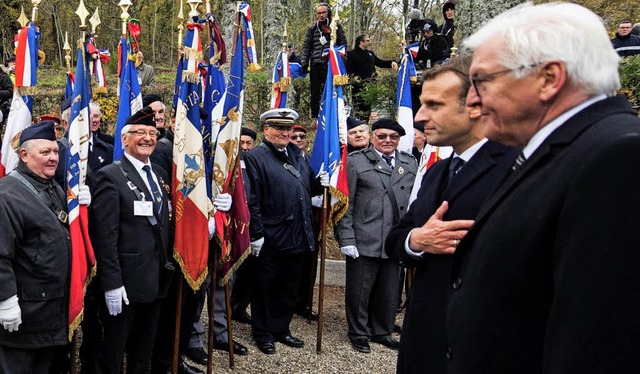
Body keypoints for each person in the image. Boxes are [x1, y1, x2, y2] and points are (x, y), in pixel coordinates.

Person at [445, 3, 640, 372]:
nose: (471, 100)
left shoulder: (619, 158)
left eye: (483, 81)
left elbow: (600, 344)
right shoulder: (553, 151)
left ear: (549, 78)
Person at [384, 56, 519, 373]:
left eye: (434, 105)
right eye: (421, 105)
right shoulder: (438, 172)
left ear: (474, 105)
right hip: (425, 339)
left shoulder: (516, 167)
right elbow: (397, 239)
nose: (419, 117)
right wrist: (417, 240)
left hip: (476, 346)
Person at [89, 107, 174, 373]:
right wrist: (112, 283)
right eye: (140, 132)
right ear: (125, 139)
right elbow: (105, 236)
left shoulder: (159, 173)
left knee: (143, 349)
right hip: (125, 285)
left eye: (152, 133)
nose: (148, 137)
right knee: (112, 352)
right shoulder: (110, 177)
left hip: (156, 280)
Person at [0, 121, 90, 373]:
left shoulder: (54, 188)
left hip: (49, 310)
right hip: (22, 314)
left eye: (55, 152)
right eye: (45, 152)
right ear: (24, 155)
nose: (53, 158)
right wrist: (5, 299)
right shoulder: (8, 195)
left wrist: (81, 208)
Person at [244, 108, 328, 354]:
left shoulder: (297, 154)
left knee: (290, 286)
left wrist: (318, 183)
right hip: (272, 234)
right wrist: (256, 233)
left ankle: (281, 328)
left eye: (288, 128)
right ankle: (263, 333)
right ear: (266, 129)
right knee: (265, 287)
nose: (284, 133)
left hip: (299, 232)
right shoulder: (256, 157)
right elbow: (253, 199)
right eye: (278, 128)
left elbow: (304, 187)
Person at [335, 118, 417, 354]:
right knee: (360, 291)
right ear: (372, 137)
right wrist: (347, 238)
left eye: (393, 137)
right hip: (364, 237)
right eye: (382, 136)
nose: (387, 141)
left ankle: (381, 330)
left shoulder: (408, 162)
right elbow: (345, 204)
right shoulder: (355, 161)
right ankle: (358, 332)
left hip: (394, 239)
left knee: (390, 291)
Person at [301, 3, 347, 118]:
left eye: (323, 12)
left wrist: (342, 61)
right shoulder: (312, 29)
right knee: (315, 93)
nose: (321, 15)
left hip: (331, 64)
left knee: (331, 90)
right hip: (316, 63)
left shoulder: (336, 27)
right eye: (319, 13)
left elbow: (343, 44)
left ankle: (333, 115)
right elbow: (307, 47)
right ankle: (315, 117)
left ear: (328, 13)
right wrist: (304, 63)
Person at [231, 127, 257, 324]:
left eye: (249, 143)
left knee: (249, 274)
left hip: (253, 228)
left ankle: (240, 308)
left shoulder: (255, 163)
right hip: (230, 228)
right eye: (242, 143)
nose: (245, 147)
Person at [346, 35, 398, 118]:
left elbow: (380, 63)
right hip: (358, 86)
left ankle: (366, 124)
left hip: (371, 84)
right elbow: (349, 70)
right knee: (359, 108)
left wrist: (392, 62)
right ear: (361, 42)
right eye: (367, 41)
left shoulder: (370, 53)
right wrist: (353, 80)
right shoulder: (351, 54)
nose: (370, 42)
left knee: (369, 107)